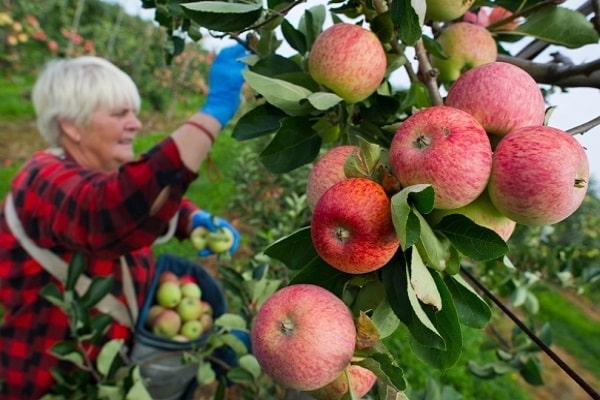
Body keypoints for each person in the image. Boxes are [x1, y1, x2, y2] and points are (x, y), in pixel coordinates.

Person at [0, 43, 247, 399]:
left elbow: (129, 191)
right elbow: (107, 211)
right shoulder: (41, 177)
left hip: (110, 374)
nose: (136, 123)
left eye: (134, 112)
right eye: (120, 114)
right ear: (72, 126)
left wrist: (191, 219)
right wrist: (211, 114)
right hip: (56, 383)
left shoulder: (97, 171)